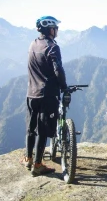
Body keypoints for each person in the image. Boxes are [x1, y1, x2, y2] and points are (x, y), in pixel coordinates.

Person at [20, 16, 68, 176]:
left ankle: (28, 158)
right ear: (50, 30)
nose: (57, 31)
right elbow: (58, 69)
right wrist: (64, 87)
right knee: (42, 129)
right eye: (56, 28)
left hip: (31, 94)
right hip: (46, 95)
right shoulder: (52, 47)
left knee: (30, 127)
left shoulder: (33, 44)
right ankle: (38, 164)